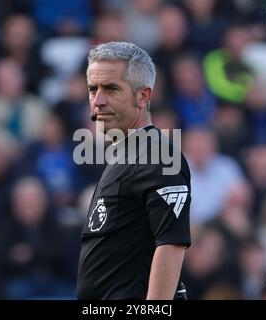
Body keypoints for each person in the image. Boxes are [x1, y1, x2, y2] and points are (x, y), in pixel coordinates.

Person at [76, 42, 191, 300]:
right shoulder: (126, 154)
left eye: (111, 89)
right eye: (93, 89)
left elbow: (171, 244)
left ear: (143, 96)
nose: (98, 101)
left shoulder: (158, 155)